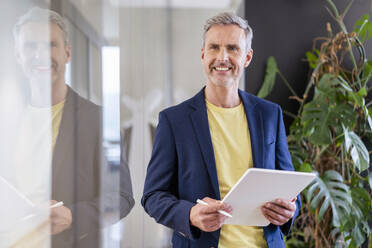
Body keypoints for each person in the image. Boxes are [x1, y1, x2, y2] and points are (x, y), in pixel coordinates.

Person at [141, 12, 301, 248]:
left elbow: (290, 189)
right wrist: (190, 214)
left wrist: (289, 211)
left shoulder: (270, 115)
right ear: (203, 54)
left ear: (247, 57)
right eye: (214, 47)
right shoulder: (174, 120)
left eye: (233, 48)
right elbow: (153, 196)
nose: (222, 57)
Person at [11, 7, 134, 247]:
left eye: (50, 45)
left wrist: (73, 216)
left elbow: (121, 197)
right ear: (18, 56)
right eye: (30, 46)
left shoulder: (98, 120)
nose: (40, 55)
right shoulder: (7, 119)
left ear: (67, 53)